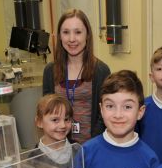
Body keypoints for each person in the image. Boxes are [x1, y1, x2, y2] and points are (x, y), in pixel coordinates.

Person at [43, 8, 111, 144]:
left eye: (78, 32)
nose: (72, 39)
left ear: (87, 35)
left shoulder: (101, 70)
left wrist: (91, 145)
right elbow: (47, 112)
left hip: (92, 146)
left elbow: (104, 114)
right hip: (60, 146)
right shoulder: (50, 70)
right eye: (66, 32)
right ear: (60, 36)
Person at [29, 94, 74, 168]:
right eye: (55, 120)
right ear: (39, 122)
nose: (63, 125)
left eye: (67, 119)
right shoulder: (33, 159)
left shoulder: (79, 149)